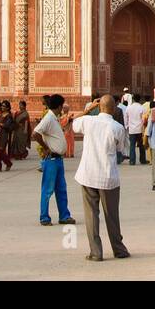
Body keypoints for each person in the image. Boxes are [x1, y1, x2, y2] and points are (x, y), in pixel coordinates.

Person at [72, 95, 131, 261]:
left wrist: (88, 109)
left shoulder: (88, 121)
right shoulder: (117, 127)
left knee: (91, 215)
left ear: (99, 107)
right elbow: (121, 148)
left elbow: (73, 123)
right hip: (107, 176)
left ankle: (96, 252)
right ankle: (119, 250)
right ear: (113, 109)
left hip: (88, 174)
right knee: (112, 215)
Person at [32, 94, 76, 226]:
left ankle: (64, 215)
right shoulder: (49, 118)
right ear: (59, 106)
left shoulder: (54, 118)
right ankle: (44, 217)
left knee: (61, 189)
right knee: (48, 190)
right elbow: (35, 133)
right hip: (51, 159)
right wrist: (46, 148)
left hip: (57, 159)